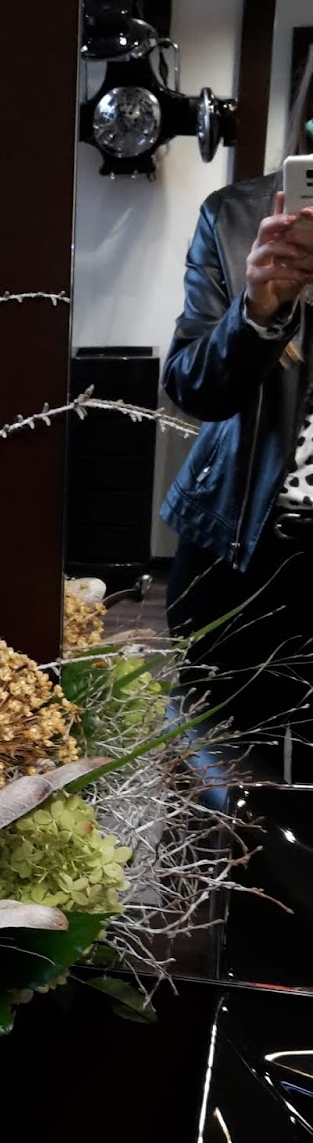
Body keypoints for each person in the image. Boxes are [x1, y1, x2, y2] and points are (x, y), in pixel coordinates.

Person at [161, 174, 313, 776]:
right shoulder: (235, 216)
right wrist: (256, 312)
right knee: (224, 777)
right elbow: (192, 386)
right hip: (240, 550)